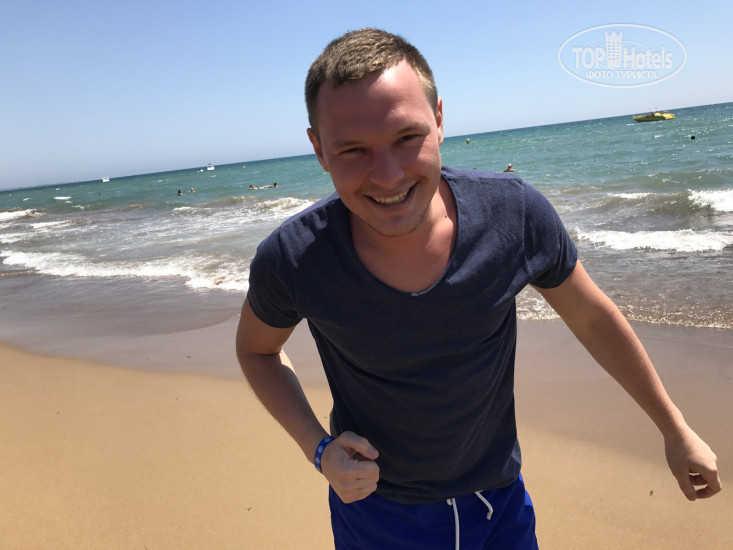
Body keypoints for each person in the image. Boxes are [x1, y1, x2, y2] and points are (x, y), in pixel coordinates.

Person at [235, 28, 721, 549]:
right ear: (319, 149)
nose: (388, 175)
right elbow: (258, 351)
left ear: (439, 119)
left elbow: (592, 318)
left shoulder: (513, 214)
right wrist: (318, 448)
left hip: (500, 504)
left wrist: (675, 429)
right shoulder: (295, 257)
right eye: (353, 149)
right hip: (378, 515)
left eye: (407, 137)